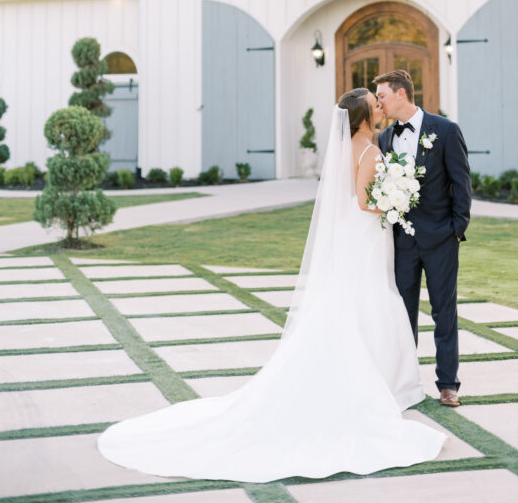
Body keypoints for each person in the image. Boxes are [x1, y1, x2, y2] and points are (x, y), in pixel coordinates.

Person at [97, 89, 445, 483]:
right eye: (374, 102)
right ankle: (380, 384)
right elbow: (367, 203)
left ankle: (381, 379)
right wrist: (395, 201)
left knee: (354, 301)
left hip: (354, 236)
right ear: (364, 116)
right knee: (369, 300)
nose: (380, 106)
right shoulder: (369, 150)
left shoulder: (350, 146)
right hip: (364, 231)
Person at [374, 70, 472, 408]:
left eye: (382, 96)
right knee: (403, 314)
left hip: (442, 237)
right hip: (402, 241)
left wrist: (458, 227)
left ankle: (448, 384)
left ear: (401, 93)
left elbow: (461, 182)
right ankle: (406, 382)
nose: (379, 103)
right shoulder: (385, 138)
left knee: (444, 311)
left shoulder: (445, 131)